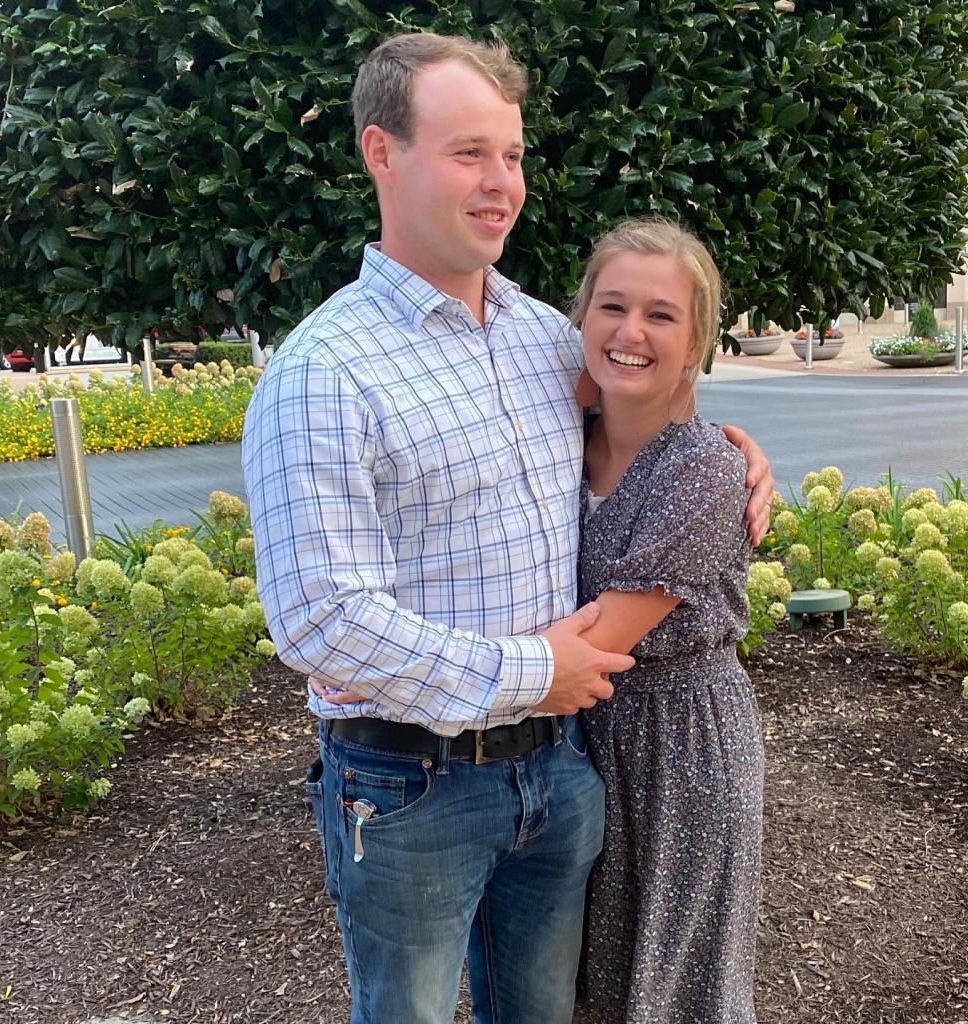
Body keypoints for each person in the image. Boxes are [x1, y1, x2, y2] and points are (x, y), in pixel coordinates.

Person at [242, 33, 773, 1024]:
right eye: (468, 153)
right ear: (381, 153)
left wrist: (734, 453)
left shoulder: (541, 339)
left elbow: (652, 402)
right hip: (410, 787)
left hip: (562, 769)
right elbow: (320, 619)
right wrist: (532, 671)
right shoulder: (323, 372)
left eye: (513, 154)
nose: (501, 183)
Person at [570, 219, 762, 1023]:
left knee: (677, 982)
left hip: (681, 742)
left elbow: (604, 639)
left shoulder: (706, 469)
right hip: (581, 734)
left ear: (694, 345)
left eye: (661, 315)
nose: (631, 333)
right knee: (589, 977)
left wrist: (417, 670)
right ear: (581, 317)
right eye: (612, 306)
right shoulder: (555, 443)